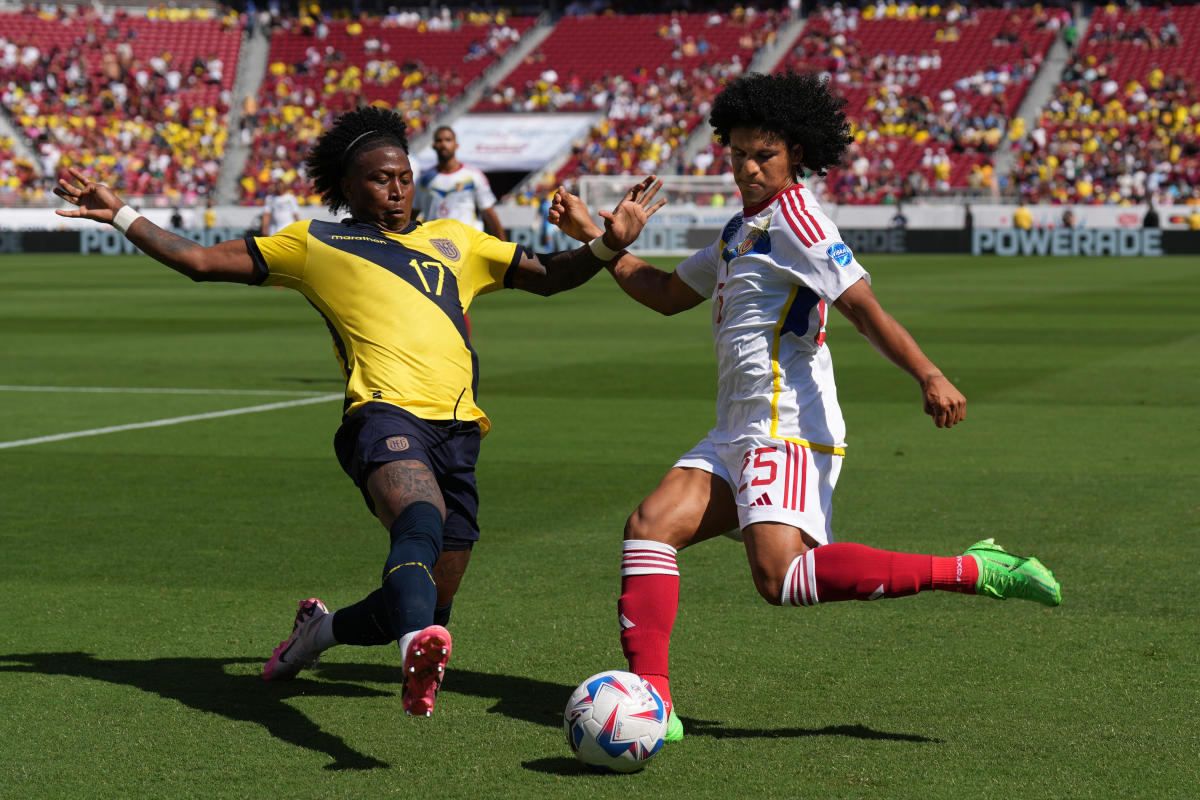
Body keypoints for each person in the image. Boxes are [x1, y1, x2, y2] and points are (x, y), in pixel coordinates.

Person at [54, 105, 665, 718]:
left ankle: (318, 633)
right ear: (347, 187)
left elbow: (553, 276)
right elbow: (201, 262)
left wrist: (610, 243)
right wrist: (123, 215)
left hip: (459, 432)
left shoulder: (458, 240)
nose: (396, 188)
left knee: (427, 595)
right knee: (418, 523)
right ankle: (413, 655)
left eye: (402, 176)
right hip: (382, 418)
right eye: (379, 178)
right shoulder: (316, 242)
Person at [550, 72, 1062, 743]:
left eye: (762, 154)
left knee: (781, 578)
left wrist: (929, 375)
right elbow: (669, 292)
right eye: (736, 154)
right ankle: (655, 705)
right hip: (735, 429)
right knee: (648, 527)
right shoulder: (741, 228)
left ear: (795, 152)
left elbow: (862, 309)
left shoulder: (800, 220)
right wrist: (603, 239)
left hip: (786, 430)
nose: (747, 167)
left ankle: (975, 570)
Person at [415, 126, 506, 240]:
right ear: (433, 146)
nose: (443, 144)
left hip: (469, 245)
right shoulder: (423, 180)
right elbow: (412, 216)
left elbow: (490, 215)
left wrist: (503, 247)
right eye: (439, 140)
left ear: (456, 145)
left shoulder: (474, 176)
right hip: (434, 247)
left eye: (448, 140)